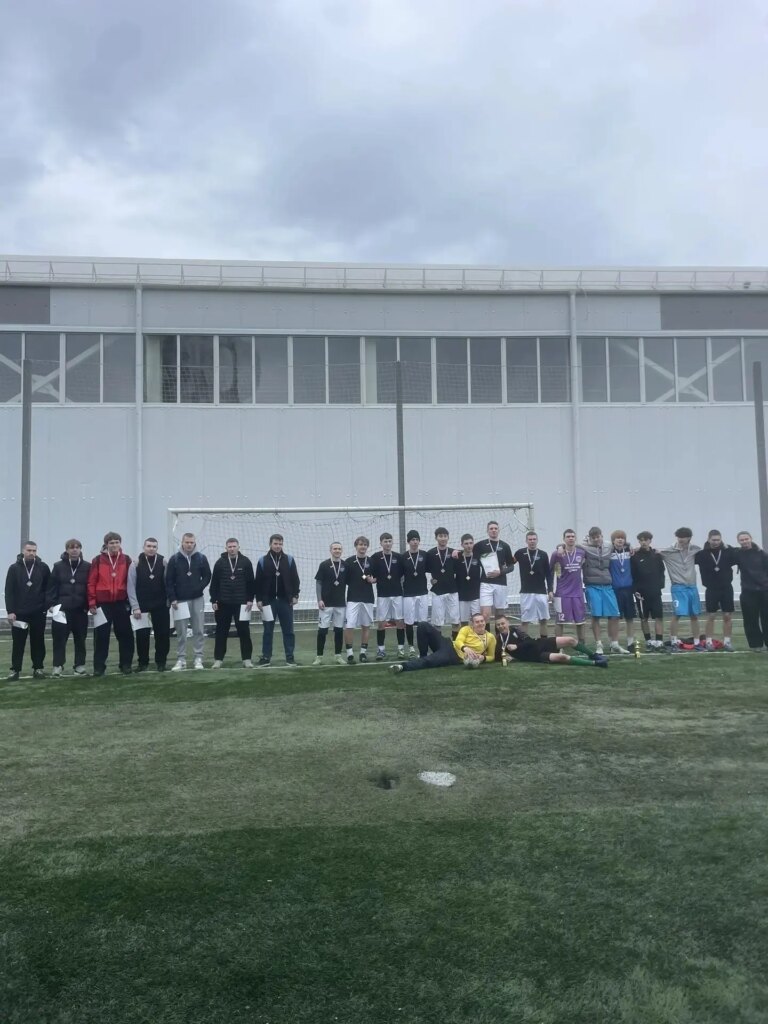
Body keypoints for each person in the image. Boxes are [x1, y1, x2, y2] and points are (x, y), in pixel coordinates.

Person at [87, 531, 134, 676]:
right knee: (101, 637)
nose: (114, 545)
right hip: (103, 604)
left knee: (125, 635)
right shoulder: (97, 560)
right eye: (111, 543)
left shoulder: (126, 559)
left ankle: (125, 664)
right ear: (106, 544)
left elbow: (131, 581)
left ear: (120, 543)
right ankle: (99, 667)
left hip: (121, 603)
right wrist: (92, 602)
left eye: (117, 542)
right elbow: (91, 582)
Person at [390, 611, 496, 673]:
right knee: (423, 625)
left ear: (485, 622)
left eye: (482, 621)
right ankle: (422, 655)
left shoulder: (490, 637)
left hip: (454, 656)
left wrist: (483, 658)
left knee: (429, 661)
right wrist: (465, 648)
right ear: (472, 624)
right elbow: (458, 641)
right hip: (448, 644)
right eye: (477, 622)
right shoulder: (466, 629)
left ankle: (402, 667)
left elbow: (492, 656)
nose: (480, 623)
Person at [165, 532, 211, 671]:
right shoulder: (174, 559)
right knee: (181, 632)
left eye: (191, 542)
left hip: (197, 599)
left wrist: (199, 588)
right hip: (180, 601)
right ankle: (181, 659)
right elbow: (169, 581)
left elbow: (207, 576)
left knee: (199, 630)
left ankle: (198, 658)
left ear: (194, 543)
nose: (189, 545)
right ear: (182, 542)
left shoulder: (201, 558)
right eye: (187, 542)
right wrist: (173, 598)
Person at [5, 541, 50, 680]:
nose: (31, 553)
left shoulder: (43, 567)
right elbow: (9, 591)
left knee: (38, 641)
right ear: (23, 551)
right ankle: (15, 670)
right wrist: (10, 611)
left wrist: (46, 607)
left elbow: (48, 589)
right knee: (18, 643)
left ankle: (38, 668)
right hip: (19, 613)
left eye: (34, 551)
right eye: (29, 550)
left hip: (38, 612)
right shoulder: (14, 568)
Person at [494, 614, 607, 668]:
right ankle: (595, 663)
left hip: (541, 643)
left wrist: (517, 647)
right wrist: (507, 657)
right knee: (563, 657)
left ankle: (593, 656)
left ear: (507, 623)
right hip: (536, 656)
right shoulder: (498, 639)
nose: (501, 626)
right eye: (498, 625)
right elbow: (497, 655)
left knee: (571, 640)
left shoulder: (516, 630)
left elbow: (529, 642)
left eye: (503, 623)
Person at [255, 533, 301, 667]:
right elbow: (258, 582)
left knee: (288, 630)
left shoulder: (289, 560)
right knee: (267, 631)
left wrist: (295, 595)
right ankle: (266, 657)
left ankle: (290, 657)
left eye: (280, 544)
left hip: (285, 601)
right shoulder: (262, 561)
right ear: (270, 544)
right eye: (275, 543)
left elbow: (295, 579)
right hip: (268, 602)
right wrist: (259, 599)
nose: (278, 546)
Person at [46, 539, 90, 677]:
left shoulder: (87, 566)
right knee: (59, 640)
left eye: (77, 547)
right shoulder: (58, 566)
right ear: (67, 550)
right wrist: (51, 605)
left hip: (80, 610)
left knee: (80, 639)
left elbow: (90, 586)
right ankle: (58, 666)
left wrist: (88, 605)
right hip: (62, 611)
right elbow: (51, 587)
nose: (74, 550)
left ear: (80, 549)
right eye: (71, 547)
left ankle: (79, 665)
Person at [581, 527, 628, 655]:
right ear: (590, 538)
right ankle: (599, 644)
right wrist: (561, 547)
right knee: (596, 616)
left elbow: (622, 545)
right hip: (592, 586)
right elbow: (569, 545)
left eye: (598, 537)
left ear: (602, 536)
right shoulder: (584, 548)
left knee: (614, 615)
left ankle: (614, 644)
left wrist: (632, 548)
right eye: (594, 538)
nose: (597, 539)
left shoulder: (608, 546)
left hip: (607, 585)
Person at [127, 537, 171, 672]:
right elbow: (130, 586)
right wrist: (135, 606)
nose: (151, 549)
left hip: (161, 605)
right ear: (144, 547)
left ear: (157, 548)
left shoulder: (163, 562)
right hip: (142, 606)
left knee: (162, 635)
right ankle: (143, 663)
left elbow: (168, 583)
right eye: (149, 546)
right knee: (142, 636)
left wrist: (169, 600)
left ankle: (161, 662)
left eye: (154, 547)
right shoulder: (135, 564)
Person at [209, 538, 255, 669]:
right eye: (230, 547)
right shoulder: (220, 563)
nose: (232, 549)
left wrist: (250, 599)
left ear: (238, 547)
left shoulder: (246, 562)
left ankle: (247, 659)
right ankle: (218, 659)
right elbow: (214, 583)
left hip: (242, 605)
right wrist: (214, 600)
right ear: (226, 548)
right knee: (221, 632)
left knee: (244, 632)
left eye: (234, 546)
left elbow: (251, 583)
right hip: (223, 604)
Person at [661, 528, 703, 652]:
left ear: (689, 538)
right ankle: (673, 642)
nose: (680, 539)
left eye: (683, 537)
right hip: (678, 587)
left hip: (692, 587)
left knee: (694, 615)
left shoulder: (695, 549)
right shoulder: (668, 551)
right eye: (679, 537)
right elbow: (652, 552)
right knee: (677, 614)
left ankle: (697, 642)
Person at [695, 530, 736, 652]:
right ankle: (708, 641)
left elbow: (742, 553)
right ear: (708, 539)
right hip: (711, 589)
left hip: (726, 588)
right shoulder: (701, 554)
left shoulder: (728, 552)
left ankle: (727, 642)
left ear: (721, 539)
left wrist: (730, 547)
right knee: (711, 616)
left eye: (718, 540)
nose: (716, 542)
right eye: (713, 540)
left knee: (727, 616)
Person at [370, 532, 406, 660]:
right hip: (382, 595)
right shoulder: (375, 557)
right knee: (381, 623)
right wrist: (369, 579)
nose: (388, 543)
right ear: (381, 543)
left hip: (397, 594)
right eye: (385, 541)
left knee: (400, 622)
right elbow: (365, 572)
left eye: (390, 541)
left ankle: (401, 649)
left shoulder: (398, 557)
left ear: (392, 542)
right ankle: (381, 650)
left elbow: (403, 573)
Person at [473, 520, 515, 627]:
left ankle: (498, 636)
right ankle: (485, 637)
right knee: (485, 615)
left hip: (501, 583)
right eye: (491, 528)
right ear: (487, 531)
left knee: (500, 615)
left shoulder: (505, 546)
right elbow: (469, 554)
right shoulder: (480, 545)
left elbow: (511, 566)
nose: (493, 530)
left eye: (495, 528)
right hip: (486, 583)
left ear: (499, 530)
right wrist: (457, 552)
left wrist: (500, 572)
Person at [732, 531, 768, 652]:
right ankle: (755, 644)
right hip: (748, 591)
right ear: (738, 541)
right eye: (742, 540)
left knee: (766, 618)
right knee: (750, 619)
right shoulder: (737, 554)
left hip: (764, 591)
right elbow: (726, 554)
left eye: (746, 539)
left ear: (751, 538)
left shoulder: (762, 554)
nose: (744, 541)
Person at [630, 532, 666, 651]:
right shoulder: (634, 556)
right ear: (639, 541)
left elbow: (661, 571)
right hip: (641, 594)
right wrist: (635, 590)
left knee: (658, 617)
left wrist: (660, 586)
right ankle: (649, 641)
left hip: (655, 592)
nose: (643, 542)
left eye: (646, 540)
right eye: (641, 540)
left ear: (650, 540)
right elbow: (632, 575)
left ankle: (659, 641)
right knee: (643, 618)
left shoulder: (656, 555)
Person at [550, 529, 587, 642]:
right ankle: (558, 646)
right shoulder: (557, 554)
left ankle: (582, 645)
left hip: (577, 593)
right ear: (563, 539)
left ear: (575, 538)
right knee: (560, 621)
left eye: (572, 536)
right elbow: (550, 572)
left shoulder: (582, 553)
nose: (570, 538)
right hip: (562, 593)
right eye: (568, 536)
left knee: (580, 621)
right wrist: (550, 589)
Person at [513, 530, 553, 637]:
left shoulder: (543, 554)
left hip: (541, 592)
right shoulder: (520, 553)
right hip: (526, 592)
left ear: (537, 540)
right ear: (526, 541)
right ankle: (523, 643)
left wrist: (550, 590)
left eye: (534, 539)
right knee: (525, 620)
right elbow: (509, 562)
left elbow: (548, 574)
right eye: (530, 539)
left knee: (543, 620)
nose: (532, 541)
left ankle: (544, 642)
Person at [313, 541, 347, 665]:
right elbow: (318, 583)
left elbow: (355, 579)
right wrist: (319, 599)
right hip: (326, 604)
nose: (337, 551)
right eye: (335, 549)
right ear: (330, 550)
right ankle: (319, 657)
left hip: (340, 604)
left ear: (341, 551)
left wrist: (366, 578)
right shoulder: (324, 565)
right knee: (322, 631)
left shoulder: (345, 565)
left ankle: (338, 656)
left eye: (339, 549)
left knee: (339, 631)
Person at [344, 536, 375, 663]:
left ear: (367, 547)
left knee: (366, 626)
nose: (363, 547)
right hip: (353, 598)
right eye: (360, 544)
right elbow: (345, 580)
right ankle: (350, 654)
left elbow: (376, 577)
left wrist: (373, 580)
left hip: (368, 598)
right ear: (356, 546)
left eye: (365, 545)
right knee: (349, 626)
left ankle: (363, 653)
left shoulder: (371, 561)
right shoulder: (349, 561)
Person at [425, 527, 460, 638]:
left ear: (448, 537)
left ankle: (455, 644)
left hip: (452, 590)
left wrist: (460, 551)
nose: (443, 538)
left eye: (445, 536)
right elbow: (427, 569)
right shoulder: (430, 553)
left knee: (455, 621)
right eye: (440, 536)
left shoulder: (453, 552)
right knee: (437, 622)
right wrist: (431, 579)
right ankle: (438, 645)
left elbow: (468, 552)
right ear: (436, 538)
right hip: (437, 591)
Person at [401, 530, 429, 658]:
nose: (415, 542)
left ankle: (423, 646)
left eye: (417, 539)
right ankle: (411, 647)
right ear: (408, 541)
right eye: (412, 539)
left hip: (422, 592)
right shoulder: (403, 557)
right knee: (409, 621)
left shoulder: (424, 555)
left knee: (423, 622)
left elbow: (433, 568)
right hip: (408, 593)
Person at [609, 530, 637, 652]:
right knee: (613, 617)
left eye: (622, 538)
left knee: (630, 618)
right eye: (617, 538)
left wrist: (630, 546)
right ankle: (613, 643)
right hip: (614, 589)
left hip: (628, 589)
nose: (620, 540)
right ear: (613, 540)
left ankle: (630, 643)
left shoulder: (630, 552)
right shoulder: (609, 552)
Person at [456, 533, 483, 623]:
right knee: (464, 622)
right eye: (466, 543)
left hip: (476, 595)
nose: (469, 546)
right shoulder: (457, 557)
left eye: (471, 543)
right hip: (462, 595)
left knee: (477, 621)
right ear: (462, 545)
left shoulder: (478, 557)